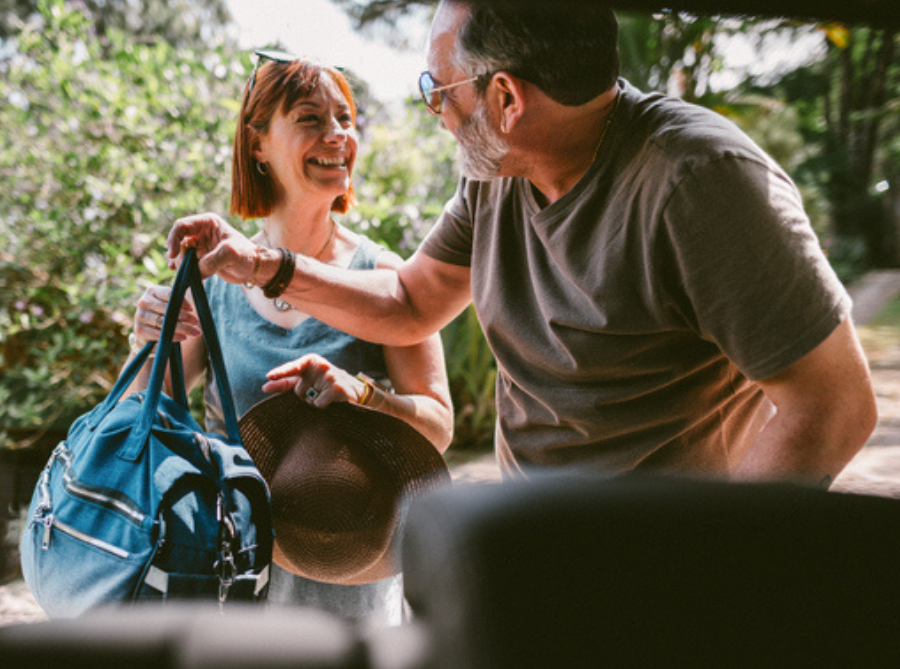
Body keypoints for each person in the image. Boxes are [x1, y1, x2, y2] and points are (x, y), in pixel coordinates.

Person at [166, 1, 877, 488]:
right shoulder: (495, 172)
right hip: (540, 547)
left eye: (437, 89)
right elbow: (411, 300)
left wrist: (710, 559)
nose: (434, 112)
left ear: (506, 99)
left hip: (662, 563)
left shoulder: (701, 181)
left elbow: (834, 406)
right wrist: (268, 266)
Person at [124, 52, 453, 626]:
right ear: (257, 144)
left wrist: (364, 395)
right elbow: (143, 416)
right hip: (234, 568)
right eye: (310, 118)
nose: (338, 136)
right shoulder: (217, 282)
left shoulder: (383, 278)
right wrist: (145, 340)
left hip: (350, 570)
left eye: (346, 119)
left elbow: (438, 425)